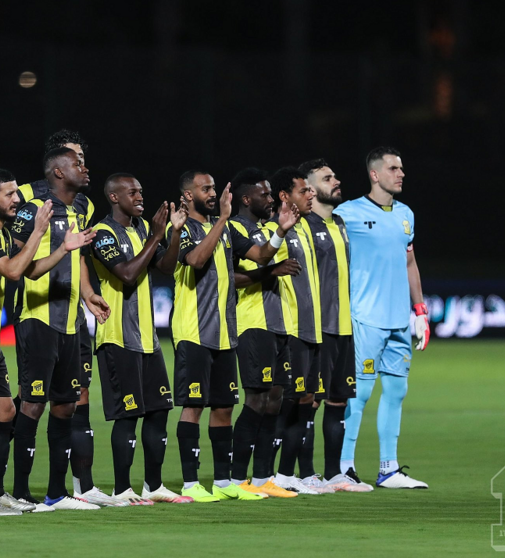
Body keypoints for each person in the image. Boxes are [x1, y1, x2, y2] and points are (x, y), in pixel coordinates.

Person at [0, 168, 96, 514]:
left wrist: (64, 249)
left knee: (5, 410)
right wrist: (38, 230)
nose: (18, 199)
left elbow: (29, 269)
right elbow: (13, 271)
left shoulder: (2, 236)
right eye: (10, 194)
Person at [169, 170, 298, 503]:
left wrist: (281, 231)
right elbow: (196, 261)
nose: (212, 193)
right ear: (187, 195)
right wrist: (223, 219)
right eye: (205, 188)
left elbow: (260, 255)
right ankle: (190, 483)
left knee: (224, 407)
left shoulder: (224, 229)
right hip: (194, 329)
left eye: (214, 187)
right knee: (193, 406)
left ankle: (225, 482)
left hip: (226, 331)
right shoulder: (184, 229)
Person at [15, 130, 118, 506]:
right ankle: (20, 491)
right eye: (77, 162)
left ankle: (58, 492)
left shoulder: (82, 209)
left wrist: (89, 293)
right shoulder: (31, 207)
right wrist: (64, 248)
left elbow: (81, 259)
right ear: (57, 171)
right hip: (38, 316)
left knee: (66, 405)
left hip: (73, 321)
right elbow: (25, 268)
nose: (84, 167)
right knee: (32, 404)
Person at [91, 173, 192, 504]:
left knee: (159, 409)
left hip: (147, 339)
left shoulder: (140, 229)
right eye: (131, 191)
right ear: (114, 197)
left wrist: (172, 233)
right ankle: (122, 489)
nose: (140, 195)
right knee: (128, 414)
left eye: (141, 189)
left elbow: (165, 265)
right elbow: (128, 274)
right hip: (118, 337)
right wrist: (156, 234)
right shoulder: (104, 233)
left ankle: (154, 484)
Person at [334, 147, 430, 489]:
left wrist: (419, 311)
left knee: (396, 391)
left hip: (398, 321)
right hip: (366, 317)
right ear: (375, 175)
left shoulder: (406, 214)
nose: (401, 173)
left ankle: (388, 469)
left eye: (401, 168)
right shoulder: (348, 214)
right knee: (358, 394)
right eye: (393, 168)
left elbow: (409, 264)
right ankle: (343, 467)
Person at [228, 169, 308, 497]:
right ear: (247, 199)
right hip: (252, 323)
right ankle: (235, 479)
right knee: (256, 399)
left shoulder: (266, 229)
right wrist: (270, 270)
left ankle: (262, 478)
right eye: (264, 194)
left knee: (275, 400)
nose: (271, 198)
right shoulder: (233, 227)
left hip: (278, 324)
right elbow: (230, 278)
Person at [297, 159, 367, 492]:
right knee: (309, 401)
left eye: (335, 176)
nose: (336, 181)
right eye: (328, 178)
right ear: (309, 188)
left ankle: (333, 473)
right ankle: (307, 473)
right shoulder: (302, 226)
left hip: (343, 327)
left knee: (338, 401)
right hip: (316, 329)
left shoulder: (339, 222)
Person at [259, 167, 325, 496]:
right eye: (303, 191)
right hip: (291, 327)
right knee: (285, 400)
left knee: (307, 400)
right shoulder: (275, 229)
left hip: (313, 328)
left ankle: (287, 472)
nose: (310, 195)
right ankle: (269, 473)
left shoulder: (307, 228)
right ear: (285, 196)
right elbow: (260, 267)